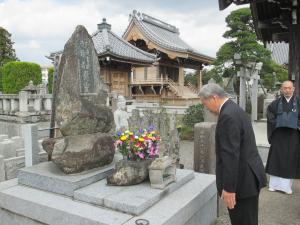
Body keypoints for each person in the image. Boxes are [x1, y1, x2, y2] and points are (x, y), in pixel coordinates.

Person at [198, 83, 266, 225]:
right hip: (248, 177)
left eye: (205, 104)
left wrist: (229, 188)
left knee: (243, 221)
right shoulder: (235, 109)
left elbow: (230, 155)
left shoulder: (228, 116)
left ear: (214, 98)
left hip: (242, 181)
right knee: (249, 220)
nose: (207, 108)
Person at [266, 80, 300, 194]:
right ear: (281, 89)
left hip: (293, 135)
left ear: (293, 89)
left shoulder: (298, 102)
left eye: (289, 88)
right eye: (285, 88)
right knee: (277, 157)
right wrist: (278, 122)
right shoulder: (275, 103)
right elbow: (270, 115)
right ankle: (273, 185)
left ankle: (286, 187)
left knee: (290, 159)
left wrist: (295, 123)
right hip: (279, 134)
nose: (287, 90)